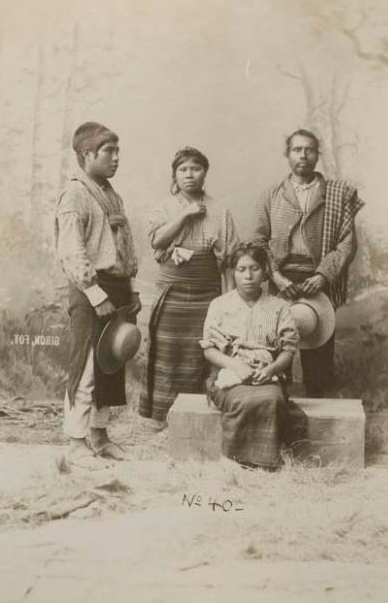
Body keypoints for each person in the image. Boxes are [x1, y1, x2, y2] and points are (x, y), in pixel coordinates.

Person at [251, 129, 364, 397]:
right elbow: (257, 241)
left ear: (317, 154)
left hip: (318, 278)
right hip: (282, 279)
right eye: (296, 149)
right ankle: (280, 413)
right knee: (277, 351)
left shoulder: (337, 194)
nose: (303, 155)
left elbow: (347, 243)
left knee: (318, 353)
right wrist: (275, 276)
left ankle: (318, 418)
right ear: (287, 154)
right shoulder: (271, 195)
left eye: (309, 149)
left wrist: (324, 276)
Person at [55, 122, 141, 467]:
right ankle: (76, 444)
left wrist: (129, 289)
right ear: (87, 154)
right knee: (87, 366)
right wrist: (94, 292)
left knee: (111, 364)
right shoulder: (75, 194)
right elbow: (71, 250)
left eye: (118, 151)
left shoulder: (110, 192)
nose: (117, 158)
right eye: (110, 152)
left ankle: (100, 436)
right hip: (91, 289)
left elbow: (122, 247)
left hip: (117, 288)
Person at [139, 146, 239, 423]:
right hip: (171, 293)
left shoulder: (220, 210)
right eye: (183, 169)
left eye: (196, 168)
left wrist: (230, 301)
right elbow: (157, 241)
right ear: (175, 175)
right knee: (168, 355)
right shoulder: (163, 208)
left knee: (204, 353)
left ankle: (201, 418)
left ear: (205, 173)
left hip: (208, 293)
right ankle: (163, 417)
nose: (190, 174)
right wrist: (185, 215)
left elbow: (230, 259)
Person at [200, 243, 299, 469]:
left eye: (254, 268)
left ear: (265, 271)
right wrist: (235, 366)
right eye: (241, 269)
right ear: (233, 272)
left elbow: (287, 351)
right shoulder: (219, 305)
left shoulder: (279, 307)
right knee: (243, 400)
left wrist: (270, 370)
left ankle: (265, 461)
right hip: (227, 376)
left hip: (267, 375)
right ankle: (236, 461)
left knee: (271, 400)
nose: (248, 276)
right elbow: (209, 349)